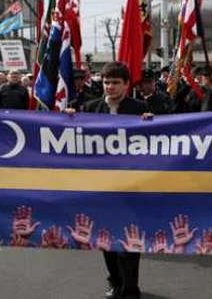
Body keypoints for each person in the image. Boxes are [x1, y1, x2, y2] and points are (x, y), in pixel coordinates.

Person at [66, 62, 152, 299]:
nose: (110, 87)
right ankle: (115, 281)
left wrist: (150, 124)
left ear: (126, 85)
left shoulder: (140, 108)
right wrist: (70, 120)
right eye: (106, 82)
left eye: (115, 82)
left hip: (130, 188)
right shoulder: (88, 109)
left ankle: (131, 288)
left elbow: (156, 141)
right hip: (101, 188)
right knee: (105, 239)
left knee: (129, 239)